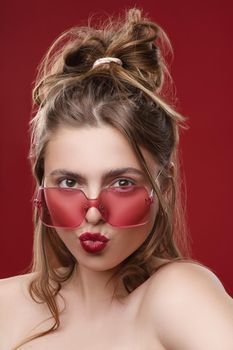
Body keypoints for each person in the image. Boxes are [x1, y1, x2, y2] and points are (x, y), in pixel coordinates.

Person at [0, 7, 232, 350]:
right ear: (42, 187)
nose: (93, 213)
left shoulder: (176, 297)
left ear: (163, 187)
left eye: (121, 183)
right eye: (68, 183)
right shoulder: (5, 307)